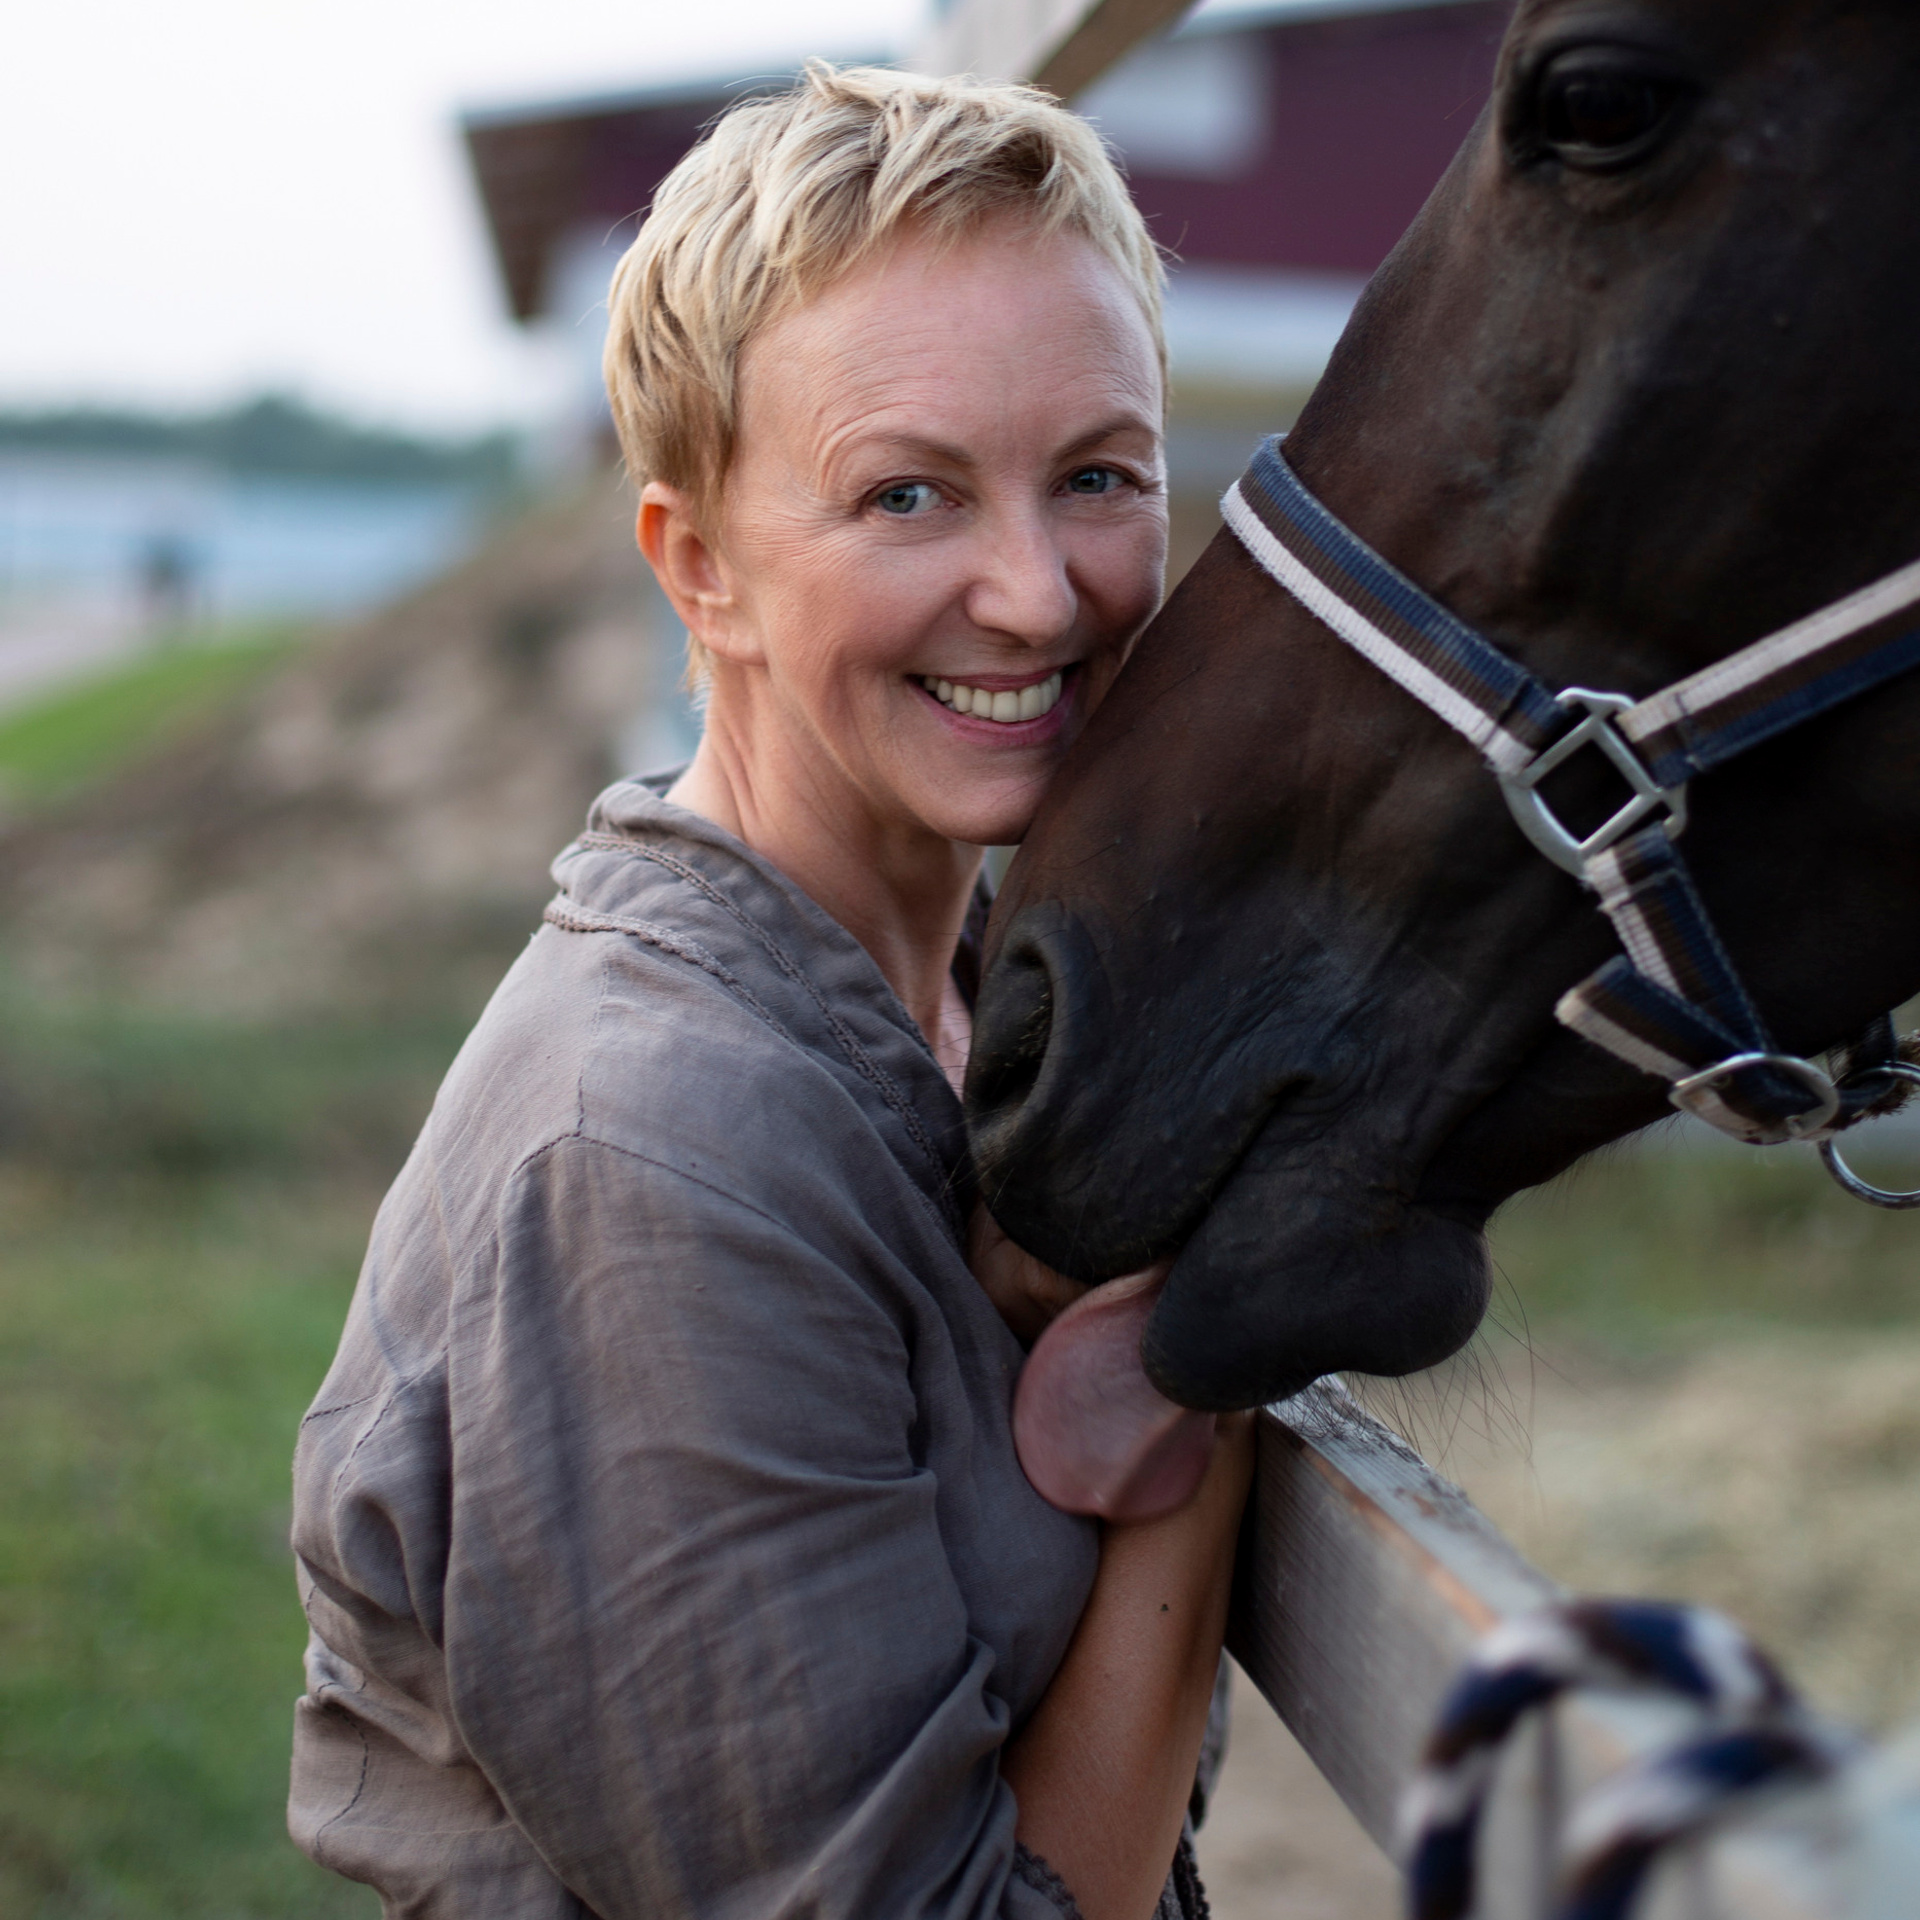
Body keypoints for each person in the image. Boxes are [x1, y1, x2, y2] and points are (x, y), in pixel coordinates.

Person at [289, 62, 1252, 1920]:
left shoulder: (978, 1010)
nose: (1037, 595)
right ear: (700, 567)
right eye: (908, 495)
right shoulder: (653, 1157)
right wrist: (1197, 1412)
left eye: (1098, 477)